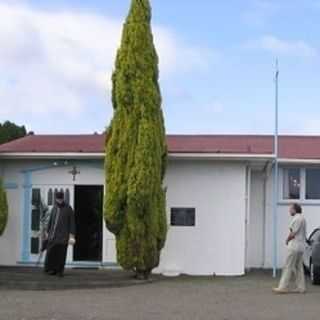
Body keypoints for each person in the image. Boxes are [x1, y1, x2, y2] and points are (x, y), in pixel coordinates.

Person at [273, 203, 307, 294]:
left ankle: (283, 287)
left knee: (288, 266)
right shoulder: (303, 218)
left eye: (290, 209)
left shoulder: (296, 219)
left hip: (294, 246)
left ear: (295, 209)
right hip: (301, 247)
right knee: (298, 267)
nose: (289, 211)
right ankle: (301, 287)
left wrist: (287, 240)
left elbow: (293, 233)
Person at [44, 191, 76, 277]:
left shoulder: (68, 208)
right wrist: (47, 232)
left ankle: (59, 271)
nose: (59, 201)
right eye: (58, 199)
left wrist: (72, 236)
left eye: (60, 199)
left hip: (63, 237)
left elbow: (72, 223)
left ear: (63, 199)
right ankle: (51, 270)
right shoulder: (54, 208)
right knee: (51, 253)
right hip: (53, 236)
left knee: (61, 255)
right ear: (56, 199)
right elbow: (51, 221)